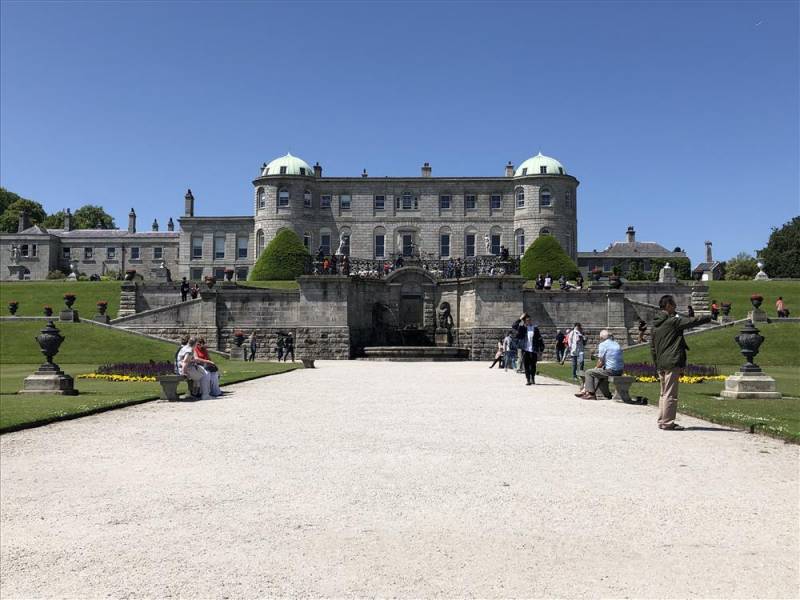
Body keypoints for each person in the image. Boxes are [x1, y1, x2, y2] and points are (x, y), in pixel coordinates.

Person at [650, 294, 713, 431]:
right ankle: (668, 423)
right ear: (667, 305)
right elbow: (692, 321)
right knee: (670, 394)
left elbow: (652, 348)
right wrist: (709, 317)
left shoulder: (655, 326)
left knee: (663, 393)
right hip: (672, 361)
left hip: (661, 363)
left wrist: (656, 364)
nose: (675, 307)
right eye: (673, 304)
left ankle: (662, 420)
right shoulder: (672, 322)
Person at [575, 330, 623, 400]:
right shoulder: (616, 344)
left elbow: (601, 361)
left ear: (601, 337)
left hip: (611, 371)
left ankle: (590, 394)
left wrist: (595, 368)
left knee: (589, 372)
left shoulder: (603, 345)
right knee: (597, 372)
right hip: (620, 370)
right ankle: (603, 393)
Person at [513, 313, 544, 385]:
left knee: (533, 365)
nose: (529, 321)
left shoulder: (535, 328)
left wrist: (541, 348)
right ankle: (528, 380)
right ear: (524, 321)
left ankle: (532, 378)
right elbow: (514, 326)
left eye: (530, 320)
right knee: (526, 365)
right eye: (527, 320)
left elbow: (539, 338)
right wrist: (520, 318)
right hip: (525, 349)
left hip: (533, 349)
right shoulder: (522, 329)